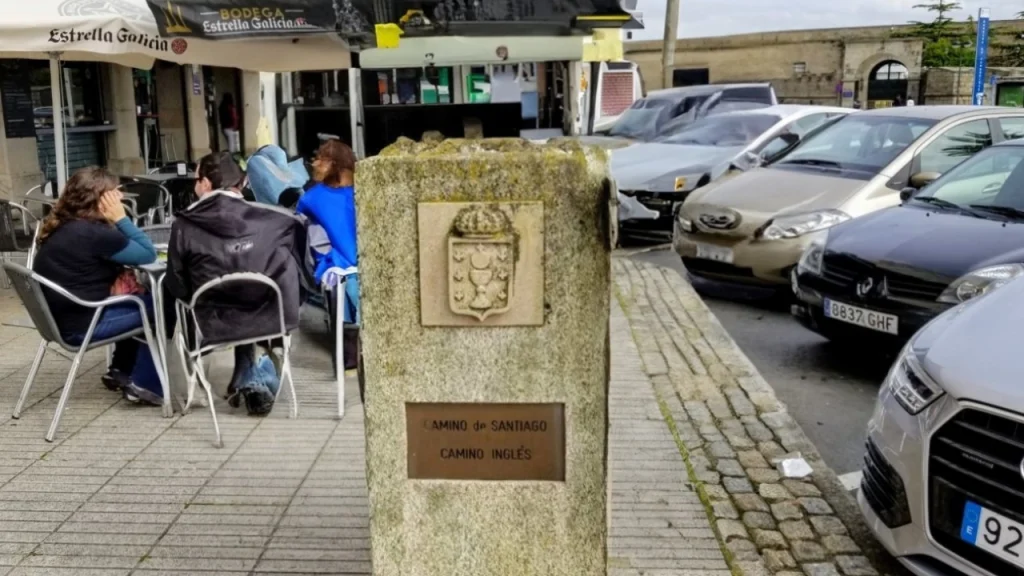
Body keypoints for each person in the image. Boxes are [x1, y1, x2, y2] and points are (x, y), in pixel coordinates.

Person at [165, 151, 306, 416]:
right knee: (249, 295)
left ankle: (249, 378)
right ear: (241, 184)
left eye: (196, 179)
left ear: (206, 184)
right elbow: (300, 267)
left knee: (230, 298)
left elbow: (177, 284)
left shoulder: (184, 225)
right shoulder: (277, 221)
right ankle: (255, 376)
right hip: (271, 317)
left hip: (212, 323)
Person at [32, 167, 163, 404]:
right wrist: (121, 219)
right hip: (81, 326)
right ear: (102, 200)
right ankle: (147, 385)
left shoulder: (63, 224)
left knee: (138, 300)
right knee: (159, 304)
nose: (121, 197)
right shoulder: (95, 233)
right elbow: (147, 254)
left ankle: (121, 371)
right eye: (115, 193)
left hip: (58, 321)